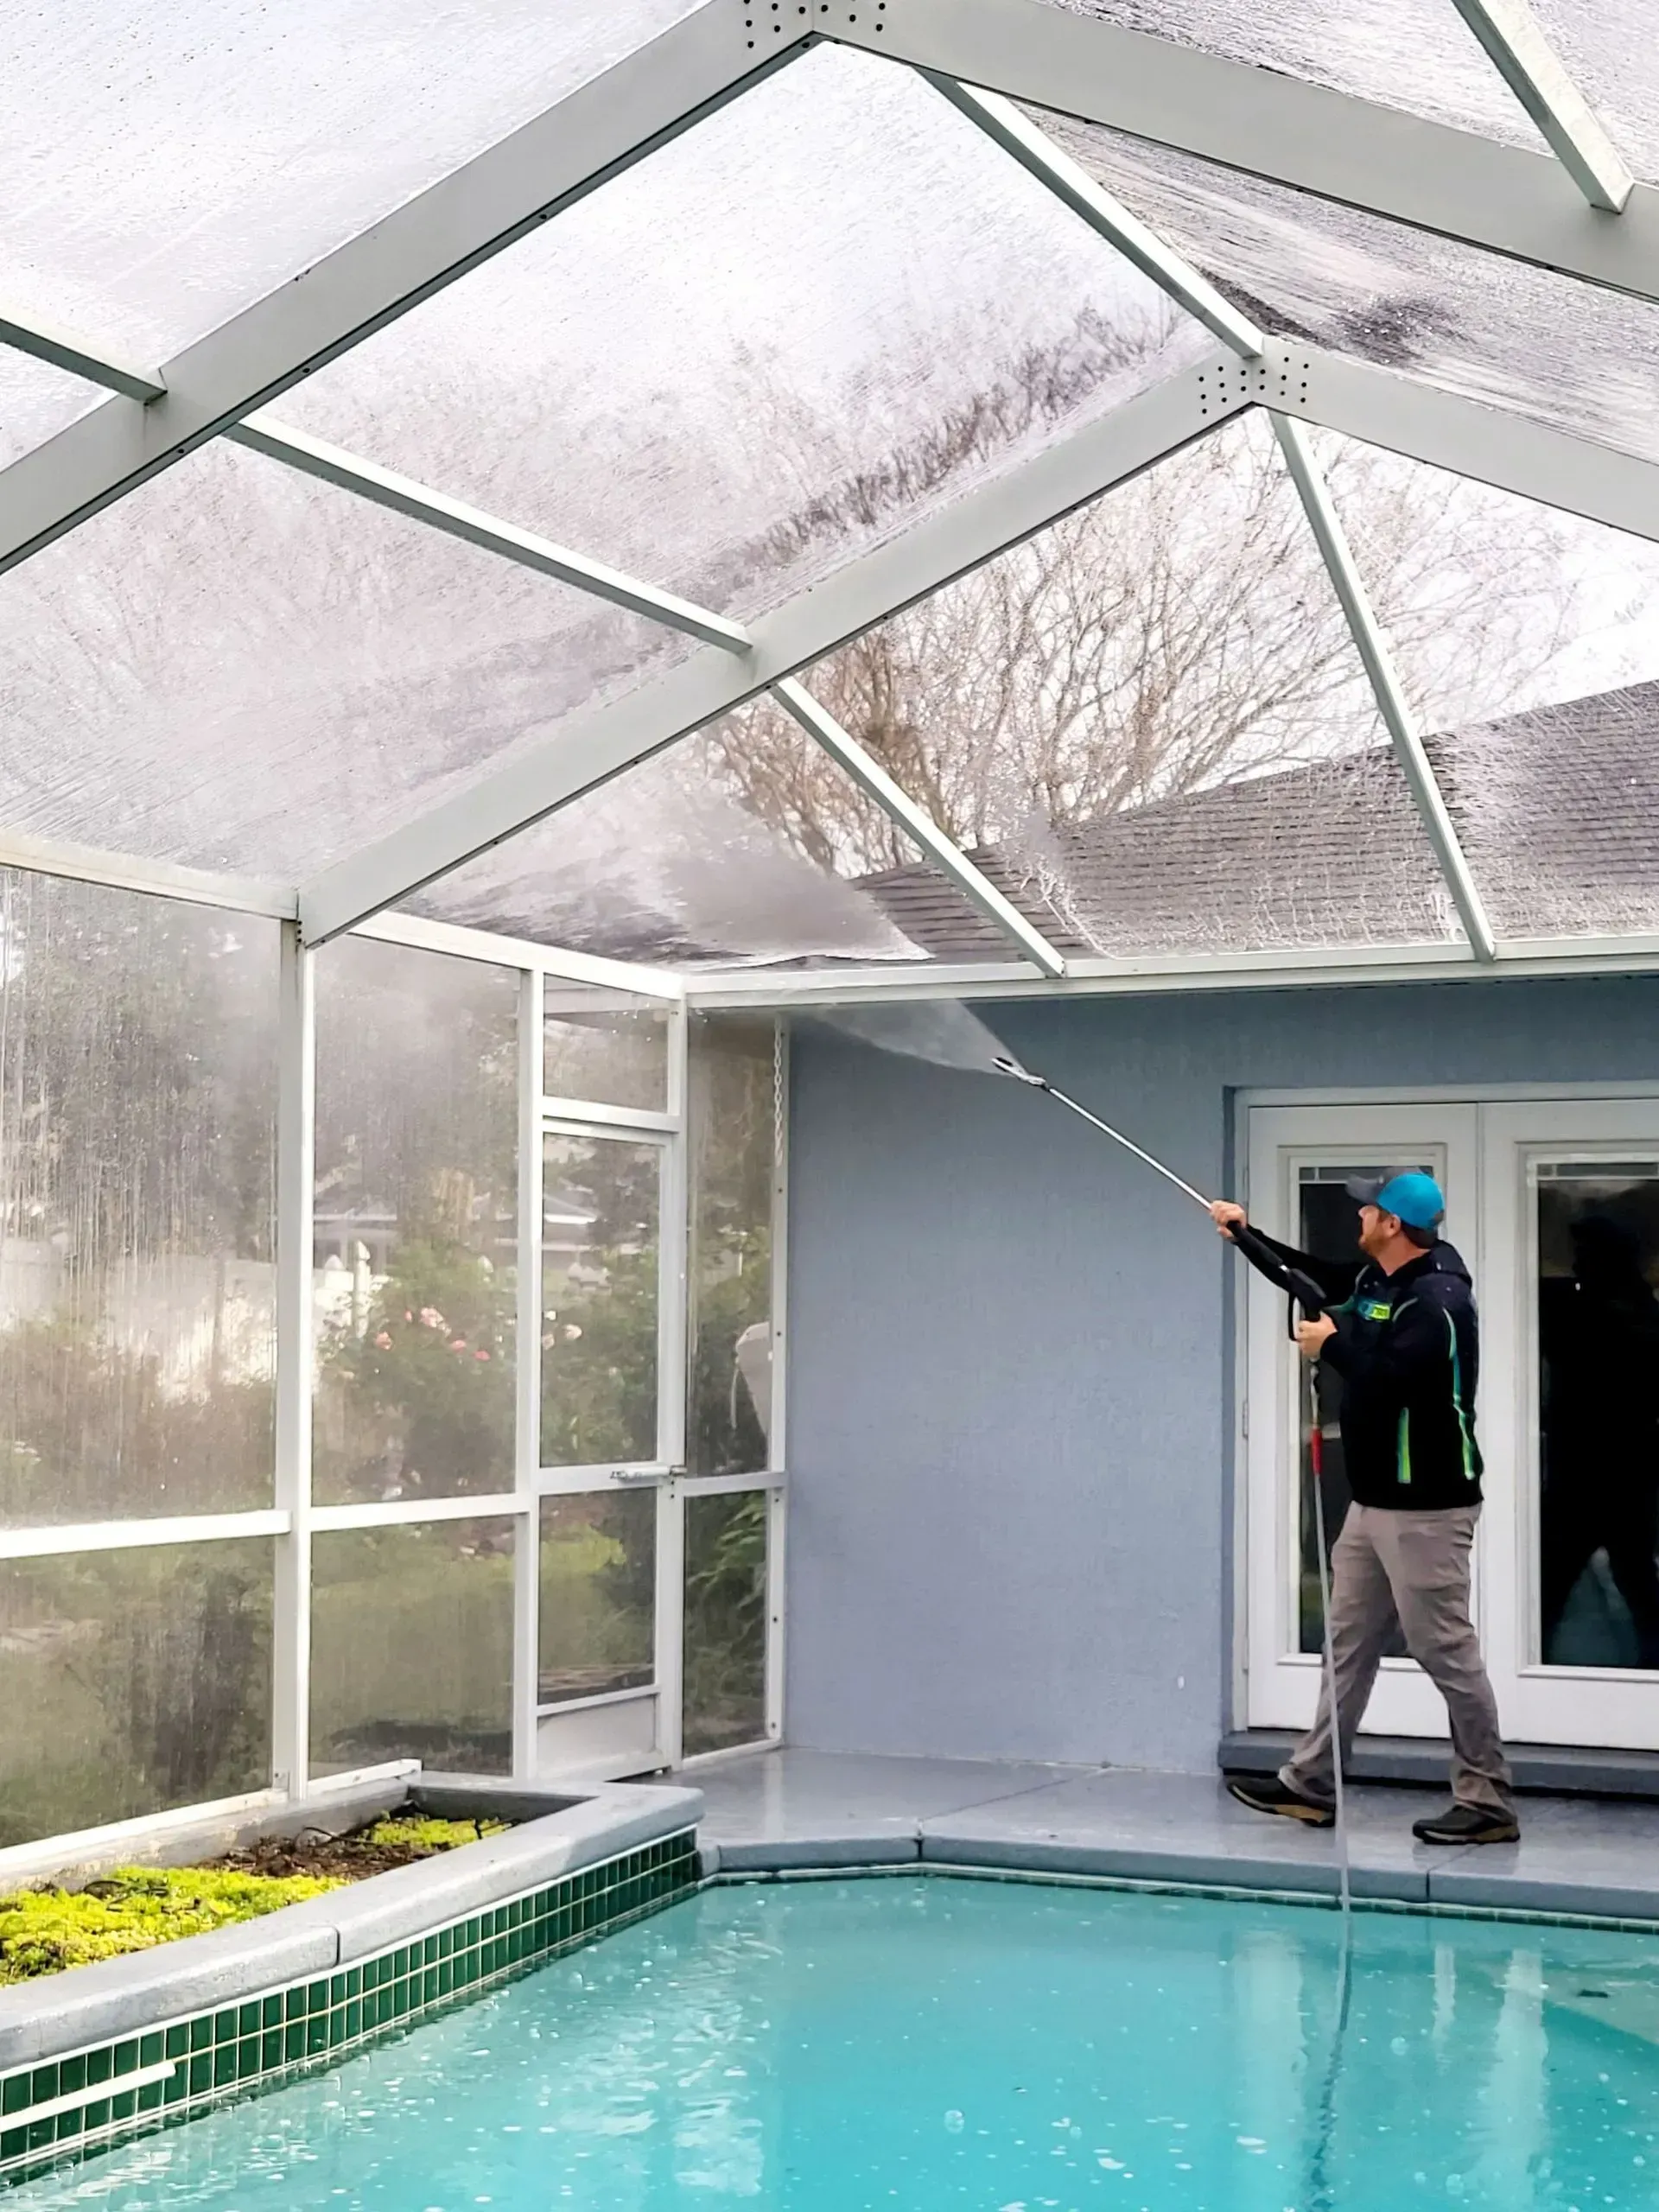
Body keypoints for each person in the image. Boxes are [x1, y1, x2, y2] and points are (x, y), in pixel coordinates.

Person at [1214, 1172, 1519, 1846]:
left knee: (1446, 1652)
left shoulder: (1439, 1301)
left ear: (1393, 1224)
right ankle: (1312, 1784)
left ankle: (1487, 1800)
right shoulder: (1376, 1281)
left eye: (1367, 1209)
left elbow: (1394, 1383)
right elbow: (1311, 1276)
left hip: (1428, 1508)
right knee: (1346, 1644)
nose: (1357, 1216)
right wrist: (1244, 1234)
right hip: (1372, 1503)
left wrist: (1332, 1347)